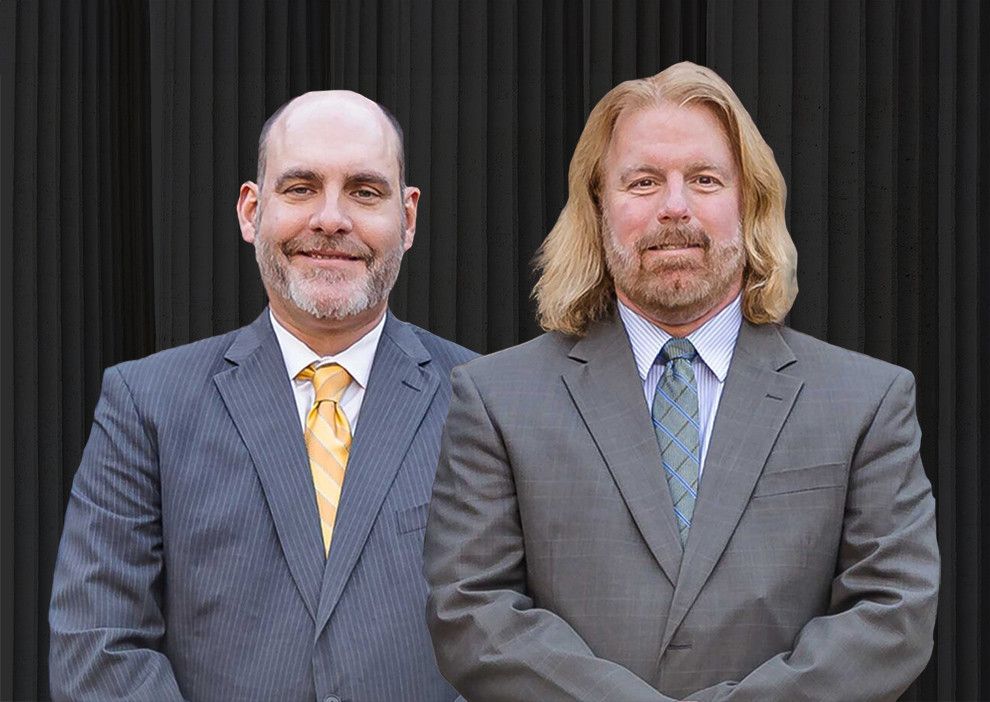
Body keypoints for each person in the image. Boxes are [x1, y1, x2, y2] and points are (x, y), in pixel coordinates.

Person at [424, 62, 939, 701]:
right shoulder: (496, 400)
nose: (674, 207)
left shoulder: (867, 403)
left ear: (750, 202)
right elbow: (473, 614)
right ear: (597, 208)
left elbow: (893, 616)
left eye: (704, 179)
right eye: (642, 182)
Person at [49, 91, 473, 702]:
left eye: (364, 191)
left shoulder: (484, 402)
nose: (331, 219)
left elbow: (518, 634)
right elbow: (100, 644)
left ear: (408, 219)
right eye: (300, 188)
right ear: (251, 212)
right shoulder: (145, 405)